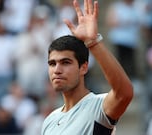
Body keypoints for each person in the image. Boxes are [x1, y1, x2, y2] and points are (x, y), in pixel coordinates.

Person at [41, 0, 134, 135]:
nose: (57, 70)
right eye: (52, 64)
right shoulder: (49, 121)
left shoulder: (97, 106)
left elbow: (124, 94)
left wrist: (93, 42)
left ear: (84, 68)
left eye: (66, 62)